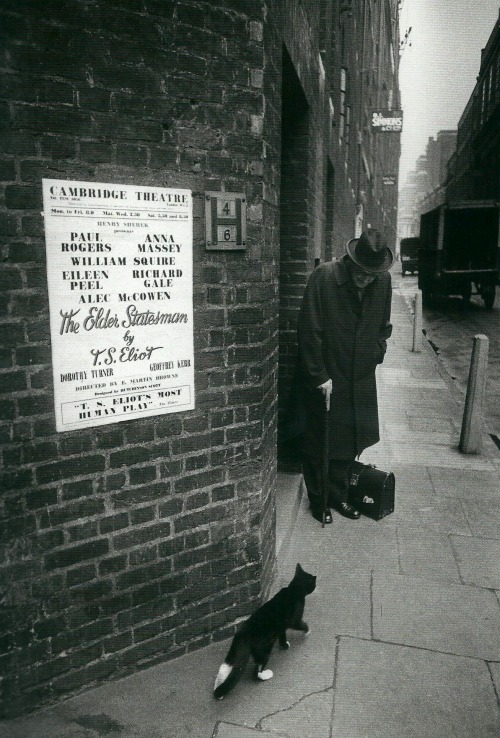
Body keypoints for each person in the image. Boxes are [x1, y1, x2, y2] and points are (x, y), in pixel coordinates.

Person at [297, 227, 393, 523]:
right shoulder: (324, 277)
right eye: (361, 273)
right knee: (320, 440)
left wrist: (377, 352)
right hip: (329, 374)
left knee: (348, 441)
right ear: (351, 261)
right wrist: (319, 376)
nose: (366, 279)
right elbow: (308, 331)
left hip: (360, 376)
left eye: (371, 275)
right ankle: (319, 500)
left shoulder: (383, 280)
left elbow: (384, 326)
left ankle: (338, 496)